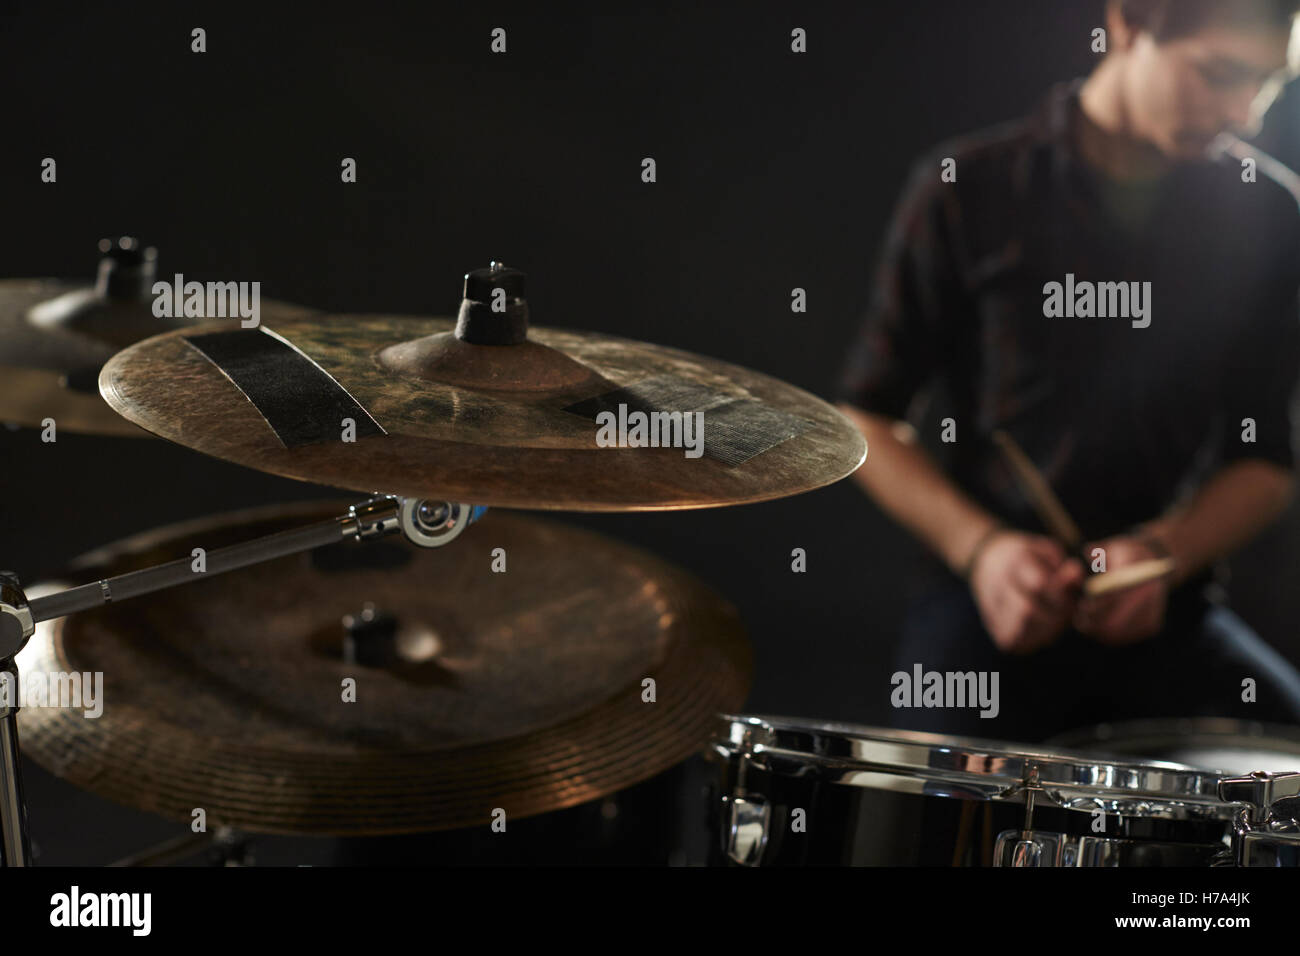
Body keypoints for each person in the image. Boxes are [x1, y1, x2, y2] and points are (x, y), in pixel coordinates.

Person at [839, 0, 1300, 742]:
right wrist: (983, 550)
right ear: (1128, 24)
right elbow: (864, 417)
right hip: (988, 601)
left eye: (1267, 84)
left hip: (1168, 603)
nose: (1243, 113)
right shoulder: (967, 188)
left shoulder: (1271, 215)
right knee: (940, 795)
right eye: (1218, 74)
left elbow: (1267, 461)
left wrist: (1165, 553)